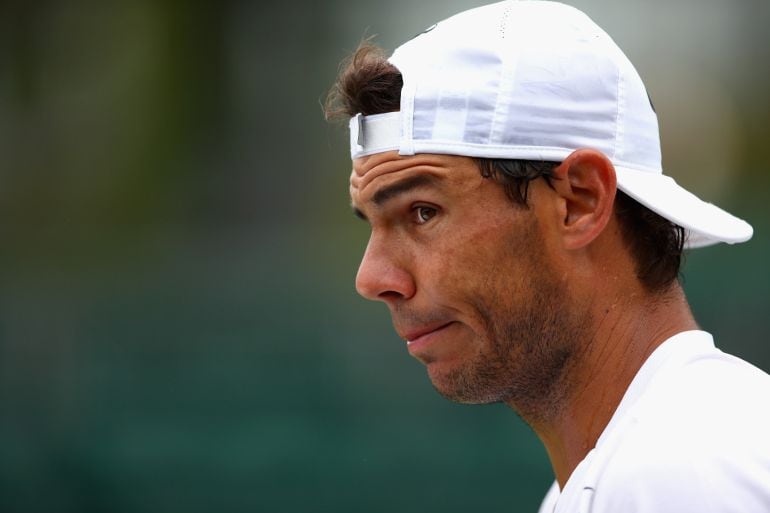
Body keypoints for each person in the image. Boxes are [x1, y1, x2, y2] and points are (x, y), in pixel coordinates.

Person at [325, 1, 770, 511]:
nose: (373, 277)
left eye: (423, 211)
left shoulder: (679, 475)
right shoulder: (634, 467)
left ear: (579, 201)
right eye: (373, 223)